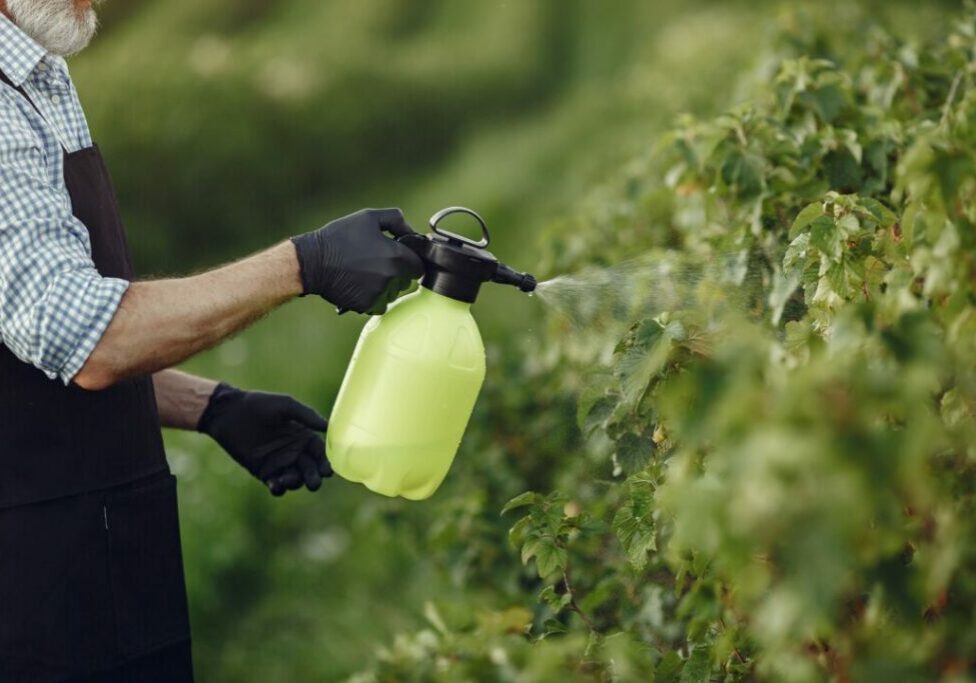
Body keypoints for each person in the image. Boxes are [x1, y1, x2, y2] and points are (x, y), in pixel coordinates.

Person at [0, 0, 425, 680]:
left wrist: (212, 406)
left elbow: (31, 341)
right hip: (33, 595)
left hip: (99, 561)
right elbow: (93, 336)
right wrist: (302, 264)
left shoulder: (39, 75)